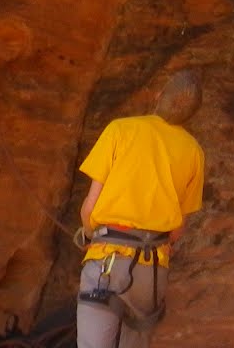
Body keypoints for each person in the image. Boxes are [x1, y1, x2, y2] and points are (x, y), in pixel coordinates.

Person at [75, 70, 206, 348]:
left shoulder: (120, 130)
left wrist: (88, 235)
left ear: (158, 96)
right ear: (192, 115)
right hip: (152, 271)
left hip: (108, 261)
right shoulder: (193, 151)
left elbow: (90, 208)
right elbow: (177, 230)